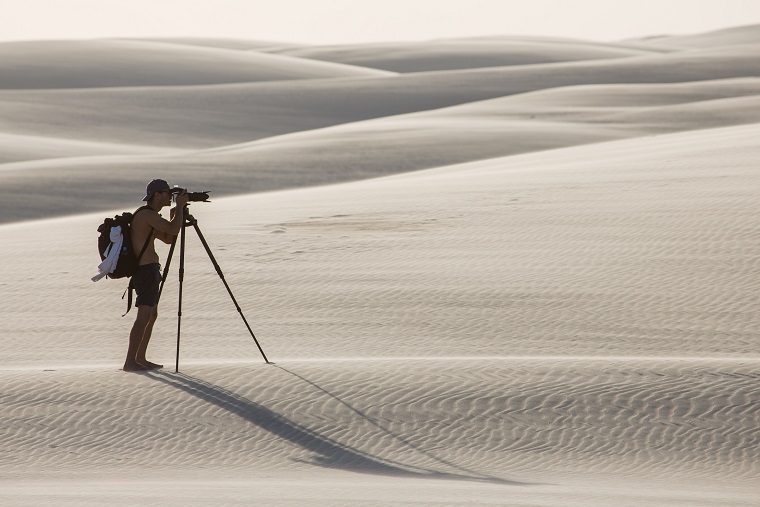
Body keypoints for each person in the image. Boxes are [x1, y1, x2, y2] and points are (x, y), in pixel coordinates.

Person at [123, 179, 188, 372]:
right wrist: (180, 208)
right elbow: (173, 229)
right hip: (146, 271)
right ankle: (130, 361)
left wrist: (176, 213)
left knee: (151, 314)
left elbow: (168, 238)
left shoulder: (149, 217)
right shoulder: (147, 215)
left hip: (149, 270)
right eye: (167, 193)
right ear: (157, 195)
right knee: (143, 316)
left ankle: (140, 358)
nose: (170, 196)